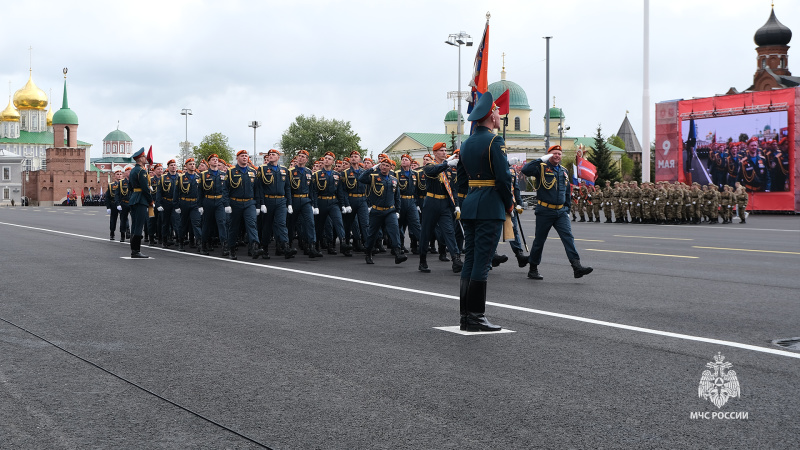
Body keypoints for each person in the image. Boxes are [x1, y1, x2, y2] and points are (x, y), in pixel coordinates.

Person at [455, 91, 513, 331]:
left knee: (470, 261)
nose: (500, 115)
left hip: (470, 204)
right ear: (491, 115)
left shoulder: (466, 143)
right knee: (482, 261)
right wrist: (508, 203)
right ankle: (476, 317)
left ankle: (466, 316)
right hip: (490, 206)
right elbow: (503, 178)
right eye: (498, 111)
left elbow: (460, 178)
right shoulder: (494, 141)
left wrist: (466, 198)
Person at [521, 145, 593, 280]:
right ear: (548, 155)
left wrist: (567, 209)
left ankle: (577, 267)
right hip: (545, 211)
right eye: (554, 153)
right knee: (539, 241)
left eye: (559, 154)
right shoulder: (541, 168)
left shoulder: (564, 171)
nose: (557, 156)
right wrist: (541, 159)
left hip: (560, 212)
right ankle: (533, 269)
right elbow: (525, 170)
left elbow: (566, 192)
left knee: (568, 239)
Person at [418, 143, 462, 273]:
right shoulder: (430, 165)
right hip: (431, 202)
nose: (444, 152)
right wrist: (447, 164)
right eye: (441, 151)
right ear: (435, 153)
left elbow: (453, 189)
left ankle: (456, 259)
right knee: (426, 232)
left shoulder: (448, 170)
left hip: (444, 204)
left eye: (445, 150)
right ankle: (422, 261)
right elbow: (432, 171)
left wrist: (457, 206)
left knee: (449, 231)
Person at [359, 159, 407, 265]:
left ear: (391, 167)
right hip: (376, 210)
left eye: (387, 165)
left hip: (390, 210)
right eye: (382, 165)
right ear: (380, 167)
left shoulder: (394, 180)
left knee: (394, 230)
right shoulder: (373, 177)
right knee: (372, 234)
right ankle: (368, 253)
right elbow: (361, 178)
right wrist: (371, 169)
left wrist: (398, 210)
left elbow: (397, 196)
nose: (384, 167)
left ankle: (398, 253)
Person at [255, 149, 296, 259]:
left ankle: (286, 247)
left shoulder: (284, 170)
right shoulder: (262, 169)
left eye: (273, 154)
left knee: (281, 224)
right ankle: (265, 248)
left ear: (278, 157)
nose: (271, 156)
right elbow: (259, 188)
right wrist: (261, 204)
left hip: (281, 201)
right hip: (268, 201)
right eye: (270, 155)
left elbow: (287, 187)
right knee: (267, 226)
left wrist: (289, 203)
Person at [311, 151, 351, 256]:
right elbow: (314, 192)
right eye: (325, 158)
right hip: (321, 201)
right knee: (320, 226)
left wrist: (342, 205)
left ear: (333, 162)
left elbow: (340, 192)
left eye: (329, 158)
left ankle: (342, 243)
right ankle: (317, 246)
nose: (326, 160)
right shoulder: (317, 175)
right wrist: (314, 206)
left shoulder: (337, 175)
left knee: (338, 222)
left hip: (333, 202)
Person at [226, 150, 264, 259]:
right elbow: (225, 189)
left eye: (246, 156)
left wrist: (257, 206)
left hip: (249, 203)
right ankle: (231, 249)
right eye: (242, 156)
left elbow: (257, 190)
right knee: (234, 227)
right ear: (237, 158)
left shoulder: (253, 172)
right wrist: (227, 204)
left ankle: (254, 247)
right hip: (235, 203)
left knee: (252, 225)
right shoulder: (231, 171)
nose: (244, 157)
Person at [199, 154, 230, 256]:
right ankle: (203, 245)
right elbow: (200, 192)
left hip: (220, 201)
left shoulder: (223, 174)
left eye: (216, 160)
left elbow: (226, 190)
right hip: (208, 201)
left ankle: (224, 246)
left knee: (222, 223)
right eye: (213, 160)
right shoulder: (204, 175)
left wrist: (226, 204)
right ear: (209, 162)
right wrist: (200, 205)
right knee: (206, 224)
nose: (215, 161)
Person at [128, 148, 155, 258]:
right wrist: (150, 200)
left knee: (135, 225)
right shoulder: (142, 171)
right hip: (141, 199)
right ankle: (136, 251)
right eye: (144, 157)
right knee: (139, 225)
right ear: (140, 159)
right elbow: (145, 188)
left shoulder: (134, 170)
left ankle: (134, 249)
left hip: (134, 198)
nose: (146, 159)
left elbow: (130, 187)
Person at [173, 158, 203, 252]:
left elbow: (201, 192)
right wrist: (176, 206)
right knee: (182, 224)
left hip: (195, 204)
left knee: (196, 224)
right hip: (184, 203)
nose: (192, 165)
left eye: (194, 164)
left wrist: (201, 205)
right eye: (190, 164)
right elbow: (176, 192)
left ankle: (199, 244)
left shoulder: (198, 177)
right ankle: (181, 243)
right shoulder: (181, 177)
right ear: (186, 166)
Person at [156, 160, 180, 248]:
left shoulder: (180, 177)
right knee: (165, 223)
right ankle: (164, 240)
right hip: (166, 202)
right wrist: (158, 204)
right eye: (171, 165)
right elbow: (159, 192)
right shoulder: (163, 178)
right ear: (168, 167)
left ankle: (178, 240)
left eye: (174, 165)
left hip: (176, 203)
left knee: (176, 222)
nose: (173, 166)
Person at [115, 166, 132, 242]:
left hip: (132, 203)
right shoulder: (121, 182)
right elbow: (117, 194)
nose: (130, 173)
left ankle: (132, 234)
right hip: (124, 203)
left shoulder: (134, 181)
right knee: (123, 220)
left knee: (134, 220)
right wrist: (118, 204)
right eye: (128, 171)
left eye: (131, 171)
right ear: (125, 173)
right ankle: (122, 235)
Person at [105, 170, 121, 240]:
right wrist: (108, 207)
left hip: (122, 204)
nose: (119, 175)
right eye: (117, 174)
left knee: (124, 219)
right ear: (114, 176)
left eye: (120, 174)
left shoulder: (125, 184)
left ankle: (125, 233)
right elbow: (107, 197)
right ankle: (112, 233)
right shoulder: (111, 185)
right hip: (114, 204)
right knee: (113, 220)